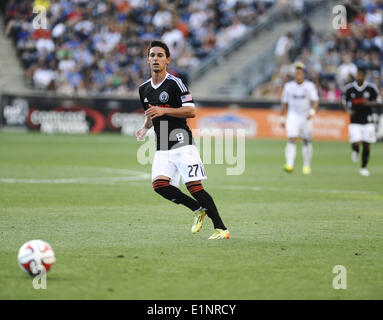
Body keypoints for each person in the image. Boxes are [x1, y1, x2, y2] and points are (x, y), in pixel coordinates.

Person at [136, 40, 230, 239]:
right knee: (159, 186)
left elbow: (191, 111)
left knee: (194, 187)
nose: (155, 59)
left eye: (160, 55)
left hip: (181, 142)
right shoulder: (143, 89)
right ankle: (197, 209)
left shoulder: (175, 83)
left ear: (167, 60)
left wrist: (164, 110)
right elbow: (151, 114)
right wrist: (145, 128)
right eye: (152, 55)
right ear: (147, 60)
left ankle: (221, 228)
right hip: (162, 146)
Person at [280, 62, 319, 174]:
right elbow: (284, 103)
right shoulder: (289, 86)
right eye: (296, 73)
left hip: (306, 116)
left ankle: (306, 165)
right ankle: (289, 164)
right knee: (292, 138)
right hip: (293, 115)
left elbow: (315, 101)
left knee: (306, 140)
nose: (298, 75)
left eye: (300, 73)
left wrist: (312, 111)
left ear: (303, 75)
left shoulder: (309, 86)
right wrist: (282, 118)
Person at [342, 67, 381, 176]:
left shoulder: (371, 88)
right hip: (354, 121)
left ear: (364, 76)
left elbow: (379, 102)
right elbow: (344, 101)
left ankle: (363, 167)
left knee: (366, 143)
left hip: (368, 120)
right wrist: (348, 110)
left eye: (360, 75)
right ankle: (355, 150)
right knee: (356, 142)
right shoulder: (350, 89)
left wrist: (370, 104)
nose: (359, 77)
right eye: (357, 75)